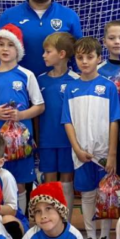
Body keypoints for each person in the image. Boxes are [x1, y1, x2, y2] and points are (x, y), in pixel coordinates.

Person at [62, 37, 120, 239]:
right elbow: (67, 121)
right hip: (81, 153)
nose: (85, 61)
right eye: (80, 57)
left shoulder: (108, 86)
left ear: (99, 58)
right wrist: (77, 149)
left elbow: (114, 120)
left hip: (104, 153)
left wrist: (112, 153)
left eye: (90, 57)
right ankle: (90, 237)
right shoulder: (71, 88)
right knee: (87, 195)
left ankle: (105, 238)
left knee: (105, 195)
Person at [0, 24, 44, 213]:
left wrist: (21, 115)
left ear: (19, 49)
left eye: (10, 45)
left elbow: (40, 106)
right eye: (1, 44)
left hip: (20, 142)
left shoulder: (26, 75)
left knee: (20, 184)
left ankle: (20, 219)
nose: (5, 49)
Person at [37, 32, 79, 219]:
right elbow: (37, 113)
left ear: (61, 54)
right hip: (46, 140)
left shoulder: (75, 80)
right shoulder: (40, 80)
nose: (44, 55)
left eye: (48, 52)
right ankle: (50, 220)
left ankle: (65, 221)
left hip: (67, 141)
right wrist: (37, 138)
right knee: (49, 181)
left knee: (67, 180)